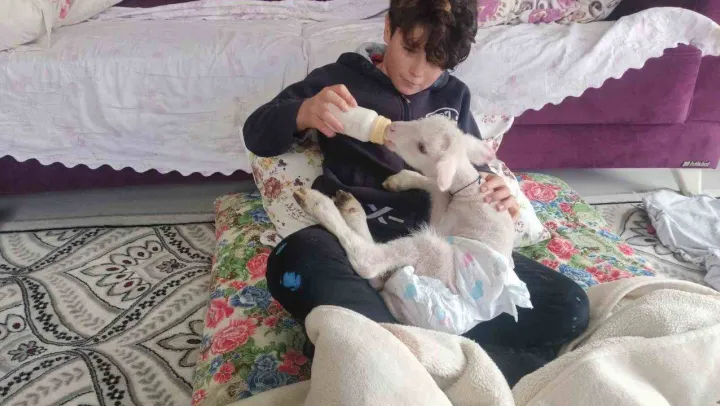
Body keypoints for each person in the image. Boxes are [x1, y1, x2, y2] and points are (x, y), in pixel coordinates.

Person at [243, 0, 589, 386]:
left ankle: (392, 350)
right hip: (359, 241)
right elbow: (256, 133)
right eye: (410, 49)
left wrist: (492, 186)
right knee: (291, 262)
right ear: (389, 28)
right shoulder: (338, 82)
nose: (417, 72)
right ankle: (456, 359)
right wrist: (304, 111)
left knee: (570, 307)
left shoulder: (454, 96)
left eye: (436, 61)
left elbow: (469, 168)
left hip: (445, 253)